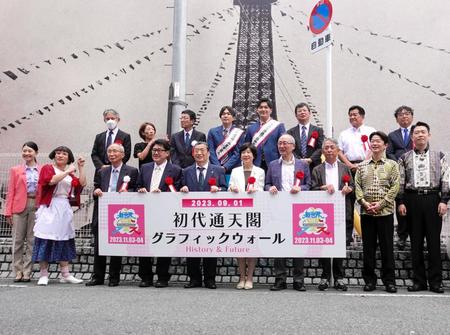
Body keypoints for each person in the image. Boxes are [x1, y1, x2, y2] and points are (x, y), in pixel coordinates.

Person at [397, 121, 449, 293]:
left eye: (423, 132)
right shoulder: (404, 158)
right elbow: (401, 182)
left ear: (429, 135)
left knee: (434, 242)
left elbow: (446, 179)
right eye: (417, 132)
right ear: (412, 137)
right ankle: (418, 281)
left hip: (433, 199)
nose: (420, 135)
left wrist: (444, 201)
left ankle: (436, 282)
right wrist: (401, 201)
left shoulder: (440, 155)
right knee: (416, 242)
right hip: (412, 200)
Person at [85, 143, 138, 287]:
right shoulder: (102, 171)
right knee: (99, 246)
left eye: (115, 151)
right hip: (102, 211)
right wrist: (96, 192)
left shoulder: (132, 171)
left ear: (122, 154)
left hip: (121, 213)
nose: (111, 154)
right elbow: (96, 187)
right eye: (109, 151)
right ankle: (98, 277)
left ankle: (114, 277)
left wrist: (129, 192)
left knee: (117, 244)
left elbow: (136, 189)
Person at [32, 146, 86, 286]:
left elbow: (81, 184)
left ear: (69, 157)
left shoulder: (70, 175)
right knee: (45, 238)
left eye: (64, 154)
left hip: (64, 207)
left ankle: (65, 274)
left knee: (64, 239)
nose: (60, 155)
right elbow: (51, 181)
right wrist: (67, 170)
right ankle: (44, 274)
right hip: (50, 207)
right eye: (58, 153)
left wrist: (80, 168)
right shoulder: (48, 168)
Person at [355, 131, 399, 293]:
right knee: (368, 249)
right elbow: (357, 187)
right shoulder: (362, 166)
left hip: (385, 213)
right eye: (372, 141)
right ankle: (369, 280)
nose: (374, 144)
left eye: (378, 141)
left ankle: (389, 281)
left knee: (387, 248)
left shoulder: (392, 165)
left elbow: (395, 187)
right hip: (366, 213)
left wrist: (380, 204)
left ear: (385, 145)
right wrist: (365, 204)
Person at [265, 134, 310, 291]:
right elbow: (267, 183)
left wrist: (300, 188)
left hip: (298, 209)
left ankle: (298, 280)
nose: (281, 146)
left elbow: (308, 185)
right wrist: (269, 188)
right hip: (278, 209)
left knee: (298, 244)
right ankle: (280, 279)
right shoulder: (272, 165)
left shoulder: (302, 165)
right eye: (279, 144)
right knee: (279, 243)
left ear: (293, 146)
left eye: (285, 143)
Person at [180, 142, 227, 289]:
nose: (199, 153)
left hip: (212, 215)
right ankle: (194, 279)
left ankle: (210, 279)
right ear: (193, 153)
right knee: (192, 246)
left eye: (202, 150)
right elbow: (179, 189)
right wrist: (183, 188)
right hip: (191, 215)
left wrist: (218, 189)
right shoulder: (186, 171)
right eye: (196, 151)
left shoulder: (218, 170)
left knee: (210, 246)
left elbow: (225, 189)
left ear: (208, 153)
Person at [137, 139, 182, 288]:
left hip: (165, 212)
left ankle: (162, 277)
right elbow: (137, 186)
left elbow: (178, 191)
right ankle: (145, 276)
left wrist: (164, 193)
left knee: (164, 243)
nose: (156, 153)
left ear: (167, 153)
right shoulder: (144, 168)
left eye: (159, 150)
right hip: (146, 212)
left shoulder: (176, 170)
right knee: (145, 245)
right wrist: (141, 190)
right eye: (154, 150)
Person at [311, 138, 354, 291]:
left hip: (342, 211)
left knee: (339, 246)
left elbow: (353, 186)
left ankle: (339, 277)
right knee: (323, 245)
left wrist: (349, 189)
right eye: (326, 148)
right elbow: (312, 190)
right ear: (322, 151)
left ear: (337, 151)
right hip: (323, 213)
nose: (329, 150)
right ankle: (324, 277)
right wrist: (323, 187)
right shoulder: (317, 169)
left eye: (332, 147)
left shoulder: (345, 168)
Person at [338, 105, 376, 245]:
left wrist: (363, 163)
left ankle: (370, 237)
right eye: (350, 115)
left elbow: (374, 148)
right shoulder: (344, 134)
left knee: (367, 202)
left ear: (362, 116)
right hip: (349, 169)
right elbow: (339, 152)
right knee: (348, 203)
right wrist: (349, 164)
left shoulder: (371, 131)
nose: (352, 117)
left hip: (367, 168)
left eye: (355, 114)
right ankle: (348, 237)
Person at [228, 143, 265, 290]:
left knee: (252, 245)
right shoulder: (235, 171)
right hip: (238, 211)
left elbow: (261, 189)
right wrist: (232, 188)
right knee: (240, 245)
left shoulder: (260, 171)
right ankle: (241, 277)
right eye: (243, 152)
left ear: (253, 155)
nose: (246, 155)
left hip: (254, 211)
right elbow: (230, 186)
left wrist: (254, 190)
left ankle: (250, 278)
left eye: (249, 152)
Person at [5, 142, 40, 283]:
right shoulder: (16, 170)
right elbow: (11, 191)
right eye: (24, 151)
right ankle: (17, 271)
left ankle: (27, 271)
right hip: (19, 206)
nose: (27, 153)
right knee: (17, 240)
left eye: (29, 151)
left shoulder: (42, 169)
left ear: (36, 153)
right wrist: (8, 212)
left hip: (36, 205)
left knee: (32, 240)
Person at [386, 106, 414, 250]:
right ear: (396, 118)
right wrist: (398, 162)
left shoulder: (418, 131)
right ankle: (402, 236)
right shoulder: (392, 135)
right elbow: (389, 152)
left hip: (416, 173)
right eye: (400, 115)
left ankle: (416, 236)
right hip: (398, 172)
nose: (404, 116)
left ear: (412, 117)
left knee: (415, 204)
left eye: (407, 114)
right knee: (401, 203)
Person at [244, 98, 286, 172]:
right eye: (261, 107)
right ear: (257, 110)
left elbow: (283, 146)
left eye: (266, 107)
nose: (263, 109)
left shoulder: (279, 126)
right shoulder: (251, 128)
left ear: (271, 110)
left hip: (274, 162)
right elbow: (247, 147)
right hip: (255, 163)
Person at [207, 106, 244, 181]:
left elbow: (238, 153)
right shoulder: (212, 132)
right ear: (220, 117)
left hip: (234, 168)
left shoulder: (239, 133)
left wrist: (225, 167)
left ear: (233, 118)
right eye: (223, 114)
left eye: (228, 114)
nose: (226, 116)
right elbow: (211, 151)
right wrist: (218, 167)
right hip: (216, 168)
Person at [287, 102, 325, 172]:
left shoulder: (318, 130)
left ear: (309, 113)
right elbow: (290, 148)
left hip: (314, 166)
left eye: (304, 110)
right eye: (299, 111)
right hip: (296, 165)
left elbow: (320, 148)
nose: (302, 113)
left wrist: (311, 159)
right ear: (296, 115)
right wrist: (298, 160)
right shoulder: (290, 132)